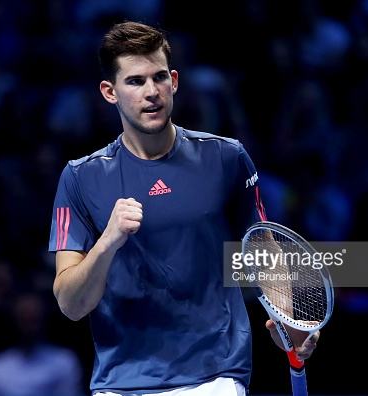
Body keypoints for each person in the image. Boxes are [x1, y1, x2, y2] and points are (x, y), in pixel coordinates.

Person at [49, 21, 320, 395]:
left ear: (174, 81)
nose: (151, 92)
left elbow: (263, 252)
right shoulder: (80, 178)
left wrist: (290, 326)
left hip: (216, 377)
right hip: (120, 384)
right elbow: (70, 304)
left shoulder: (227, 158)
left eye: (159, 77)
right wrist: (108, 241)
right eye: (135, 81)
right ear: (109, 92)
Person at [0, 291, 85, 396]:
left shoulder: (65, 361)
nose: (28, 325)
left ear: (43, 318)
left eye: (33, 318)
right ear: (14, 319)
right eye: (23, 318)